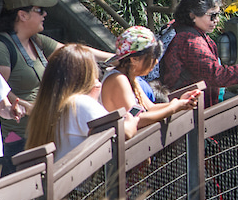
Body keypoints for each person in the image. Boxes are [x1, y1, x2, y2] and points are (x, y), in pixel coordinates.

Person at [0, 0, 111, 177]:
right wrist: (29, 108)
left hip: (40, 135)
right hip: (17, 139)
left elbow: (74, 52)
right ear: (22, 15)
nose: (45, 14)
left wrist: (114, 56)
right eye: (40, 10)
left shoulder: (36, 41)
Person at [26, 44, 196, 161]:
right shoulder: (79, 103)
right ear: (82, 74)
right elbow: (125, 131)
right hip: (79, 187)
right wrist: (132, 120)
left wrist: (176, 104)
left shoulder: (54, 104)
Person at [158, 0, 238, 107]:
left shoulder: (177, 27)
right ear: (192, 16)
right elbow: (218, 76)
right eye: (212, 15)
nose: (216, 20)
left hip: (186, 103)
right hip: (189, 110)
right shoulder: (190, 41)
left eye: (218, 14)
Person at [100, 26, 199, 124]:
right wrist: (173, 108)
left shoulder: (130, 77)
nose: (156, 62)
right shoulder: (118, 79)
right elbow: (136, 120)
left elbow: (151, 108)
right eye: (152, 57)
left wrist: (180, 102)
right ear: (134, 58)